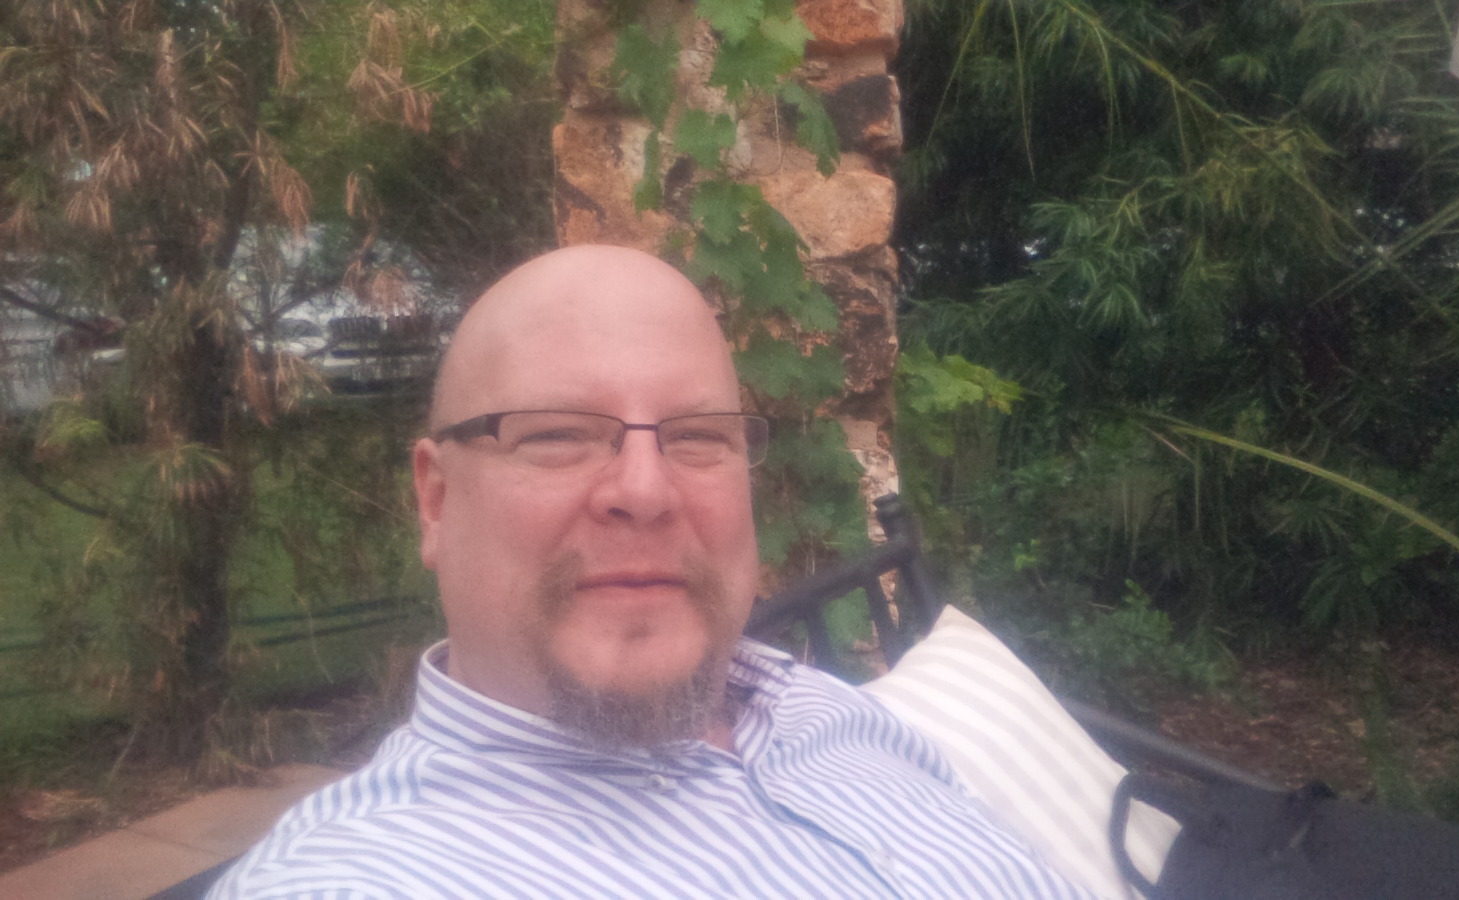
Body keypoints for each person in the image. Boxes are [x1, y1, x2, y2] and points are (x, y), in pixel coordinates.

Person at [208, 245, 1103, 899]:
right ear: (436, 501)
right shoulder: (361, 876)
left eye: (699, 437)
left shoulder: (820, 709)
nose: (644, 490)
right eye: (557, 434)